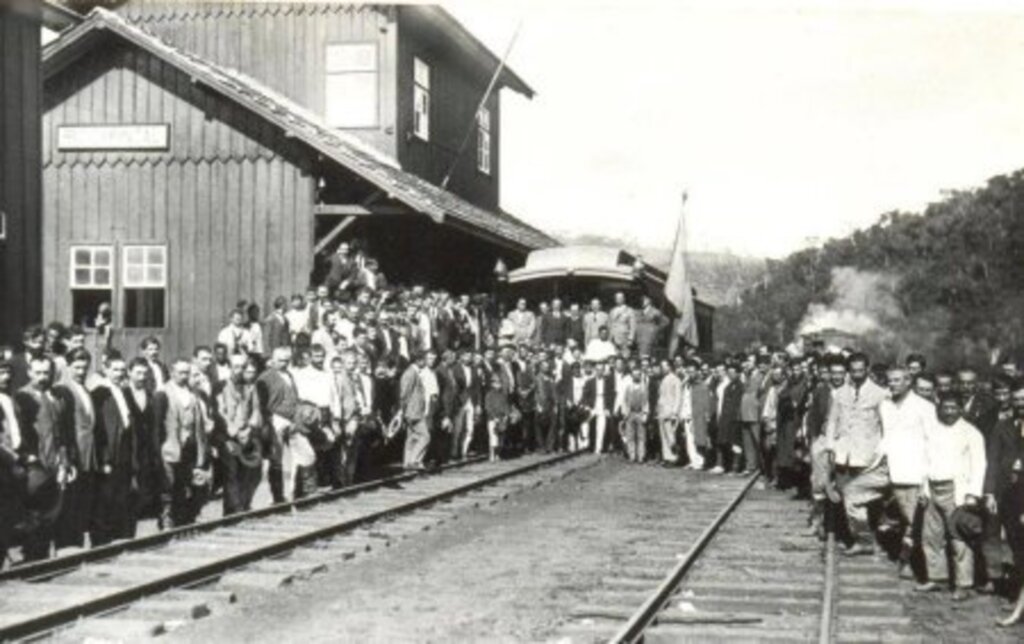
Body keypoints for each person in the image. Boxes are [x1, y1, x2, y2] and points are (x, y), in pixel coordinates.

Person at [842, 366, 931, 563]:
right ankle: (864, 541)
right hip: (884, 466)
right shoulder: (885, 405)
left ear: (909, 382)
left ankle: (912, 560)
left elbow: (932, 442)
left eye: (897, 380)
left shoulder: (924, 407)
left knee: (911, 517)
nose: (892, 384)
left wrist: (926, 475)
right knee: (852, 493)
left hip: (911, 471)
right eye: (890, 380)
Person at [917, 395, 986, 600]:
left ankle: (963, 584)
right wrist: (924, 489)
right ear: (939, 408)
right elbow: (925, 460)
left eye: (953, 407)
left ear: (960, 409)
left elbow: (980, 465)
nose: (948, 411)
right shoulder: (933, 430)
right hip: (933, 487)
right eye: (945, 407)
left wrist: (972, 494)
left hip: (956, 491)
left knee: (959, 538)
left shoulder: (971, 433)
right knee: (931, 536)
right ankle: (937, 577)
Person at [14, 356, 72, 561]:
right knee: (34, 516)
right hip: (35, 467)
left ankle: (44, 559)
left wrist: (65, 461)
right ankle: (31, 560)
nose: (42, 377)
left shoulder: (56, 396)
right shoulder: (22, 398)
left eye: (46, 373)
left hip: (55, 464)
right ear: (29, 372)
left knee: (52, 515)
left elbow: (62, 433)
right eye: (37, 373)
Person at [824, 352, 887, 519]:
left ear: (867, 369)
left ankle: (867, 535)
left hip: (866, 455)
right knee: (841, 493)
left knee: (864, 499)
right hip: (843, 454)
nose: (856, 375)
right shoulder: (840, 393)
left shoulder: (880, 394)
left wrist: (880, 453)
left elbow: (884, 426)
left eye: (860, 370)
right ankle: (844, 535)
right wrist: (831, 446)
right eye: (853, 371)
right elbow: (832, 421)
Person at [153, 359, 212, 528]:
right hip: (170, 446)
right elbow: (157, 426)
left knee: (187, 483)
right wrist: (158, 450)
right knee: (168, 484)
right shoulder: (163, 393)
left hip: (190, 446)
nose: (185, 376)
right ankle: (166, 519)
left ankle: (185, 519)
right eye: (181, 372)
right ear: (172, 373)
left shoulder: (193, 393)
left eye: (187, 372)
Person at [90, 353, 139, 545]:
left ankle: (119, 540)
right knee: (104, 501)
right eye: (115, 370)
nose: (119, 374)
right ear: (106, 370)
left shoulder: (125, 392)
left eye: (122, 370)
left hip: (124, 455)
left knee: (121, 499)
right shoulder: (100, 394)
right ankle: (101, 543)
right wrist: (103, 459)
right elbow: (99, 431)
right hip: (109, 456)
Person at [985, 382, 1024, 622]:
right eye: (1018, 399)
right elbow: (992, 460)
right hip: (1009, 496)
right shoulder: (1003, 426)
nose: (1022, 403)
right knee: (1016, 547)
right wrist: (990, 492)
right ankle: (1017, 595)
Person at [53, 347, 98, 551]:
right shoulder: (63, 390)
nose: (81, 372)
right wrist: (67, 457)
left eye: (85, 368)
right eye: (77, 367)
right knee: (70, 502)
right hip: (74, 454)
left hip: (88, 455)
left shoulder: (85, 389)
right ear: (68, 367)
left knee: (82, 501)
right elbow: (63, 427)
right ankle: (66, 544)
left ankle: (76, 543)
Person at [214, 355, 263, 515]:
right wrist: (234, 431)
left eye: (242, 367)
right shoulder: (220, 387)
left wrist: (249, 429)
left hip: (246, 434)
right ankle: (232, 511)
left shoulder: (250, 387)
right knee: (231, 472)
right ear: (229, 367)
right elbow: (220, 413)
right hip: (228, 436)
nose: (239, 370)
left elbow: (255, 410)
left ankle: (244, 505)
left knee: (250, 472)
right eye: (235, 367)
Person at [397, 352, 430, 470]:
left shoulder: (413, 372)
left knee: (411, 438)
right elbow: (404, 393)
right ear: (419, 360)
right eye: (424, 360)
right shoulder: (410, 373)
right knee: (425, 436)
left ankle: (407, 463)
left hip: (413, 410)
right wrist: (402, 410)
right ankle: (414, 461)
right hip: (413, 412)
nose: (426, 362)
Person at [715, 361, 745, 474]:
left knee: (736, 443)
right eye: (729, 372)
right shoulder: (728, 386)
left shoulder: (740, 386)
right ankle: (726, 465)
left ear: (738, 373)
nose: (730, 375)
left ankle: (736, 466)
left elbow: (739, 404)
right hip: (725, 418)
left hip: (735, 419)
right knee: (725, 442)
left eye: (733, 372)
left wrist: (737, 418)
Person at [451, 349, 481, 460]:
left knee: (470, 428)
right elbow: (455, 387)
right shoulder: (455, 369)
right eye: (466, 355)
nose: (468, 358)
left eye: (470, 356)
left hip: (471, 401)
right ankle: (454, 452)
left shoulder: (474, 369)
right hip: (460, 401)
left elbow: (477, 387)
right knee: (458, 428)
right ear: (461, 357)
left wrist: (478, 404)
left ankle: (464, 451)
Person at [618, 366, 649, 463]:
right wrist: (624, 413)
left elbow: (646, 402)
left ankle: (641, 456)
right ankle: (632, 455)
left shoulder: (644, 387)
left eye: (638, 375)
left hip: (640, 413)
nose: (636, 376)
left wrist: (645, 414)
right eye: (634, 375)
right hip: (630, 413)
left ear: (641, 376)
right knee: (630, 436)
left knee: (641, 436)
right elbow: (625, 401)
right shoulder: (629, 387)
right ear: (632, 376)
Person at [656, 361, 683, 465]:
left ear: (670, 367)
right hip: (662, 410)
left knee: (671, 435)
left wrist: (675, 412)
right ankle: (667, 457)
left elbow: (678, 397)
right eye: (662, 366)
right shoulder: (664, 379)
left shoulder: (675, 379)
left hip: (670, 410)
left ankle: (674, 457)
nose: (662, 368)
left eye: (664, 366)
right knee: (664, 435)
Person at [484, 374, 511, 462]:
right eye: (496, 383)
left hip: (502, 418)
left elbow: (506, 406)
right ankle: (492, 454)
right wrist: (493, 417)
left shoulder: (503, 395)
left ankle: (498, 454)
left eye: (499, 383)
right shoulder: (489, 395)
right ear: (492, 384)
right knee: (493, 438)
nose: (498, 384)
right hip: (493, 419)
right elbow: (488, 408)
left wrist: (506, 415)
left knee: (501, 439)